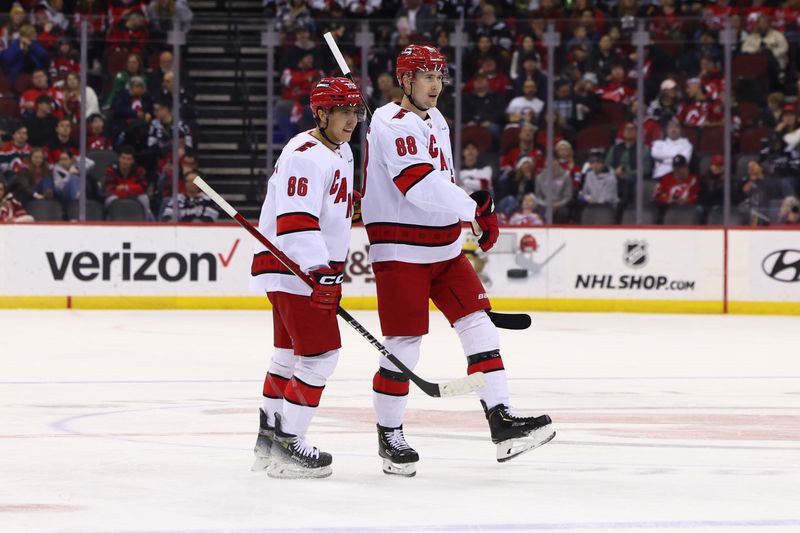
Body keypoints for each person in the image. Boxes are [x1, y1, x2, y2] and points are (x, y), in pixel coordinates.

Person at [361, 44, 554, 477]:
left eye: (439, 76)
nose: (436, 85)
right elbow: (417, 185)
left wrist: (468, 216)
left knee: (478, 323)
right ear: (405, 80)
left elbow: (442, 181)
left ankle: (502, 421)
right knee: (405, 345)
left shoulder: (438, 120)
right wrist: (474, 208)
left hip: (445, 248)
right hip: (401, 250)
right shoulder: (387, 122)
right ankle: (389, 433)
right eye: (426, 76)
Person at [250, 77, 363, 479]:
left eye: (355, 111)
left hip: (291, 269)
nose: (352, 120)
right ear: (321, 113)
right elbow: (296, 222)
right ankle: (289, 446)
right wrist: (321, 272)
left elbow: (330, 205)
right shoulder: (304, 154)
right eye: (343, 112)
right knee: (320, 356)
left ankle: (269, 441)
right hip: (295, 266)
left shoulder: (341, 151)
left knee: (287, 356)